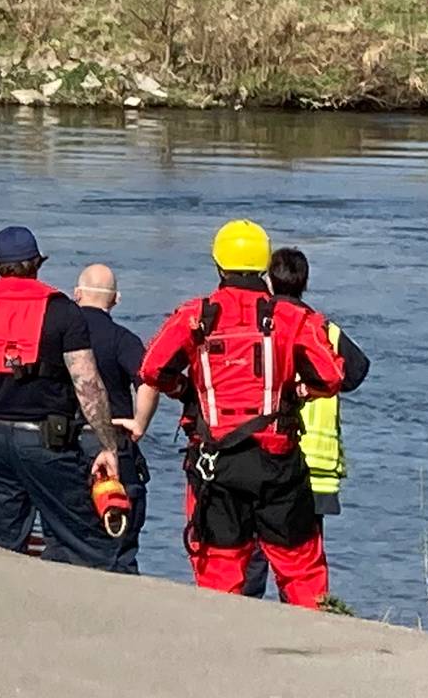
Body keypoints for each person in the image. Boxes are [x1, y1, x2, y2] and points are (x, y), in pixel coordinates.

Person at [141, 221, 368, 607]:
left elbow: (152, 369)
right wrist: (298, 391)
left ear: (218, 264)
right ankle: (319, 645)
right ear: (264, 266)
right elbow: (333, 375)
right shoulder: (291, 317)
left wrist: (186, 391)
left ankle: (220, 650)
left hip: (215, 462)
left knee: (220, 570)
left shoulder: (196, 315)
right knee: (301, 569)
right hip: (277, 462)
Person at [0, 226, 125, 568]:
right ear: (36, 264)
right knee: (79, 540)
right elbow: (87, 384)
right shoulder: (62, 310)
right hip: (49, 441)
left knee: (1, 546)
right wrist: (108, 446)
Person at [243, 246, 362, 597]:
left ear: (268, 280)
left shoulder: (257, 323)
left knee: (253, 556)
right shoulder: (325, 328)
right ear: (305, 283)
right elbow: (356, 371)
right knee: (304, 563)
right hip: (318, 466)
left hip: (265, 455)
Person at [71, 263, 151, 574]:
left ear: (76, 294)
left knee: (71, 538)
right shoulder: (123, 339)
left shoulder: (58, 334)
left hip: (67, 443)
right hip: (116, 445)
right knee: (120, 538)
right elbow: (148, 381)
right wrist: (140, 422)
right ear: (116, 299)